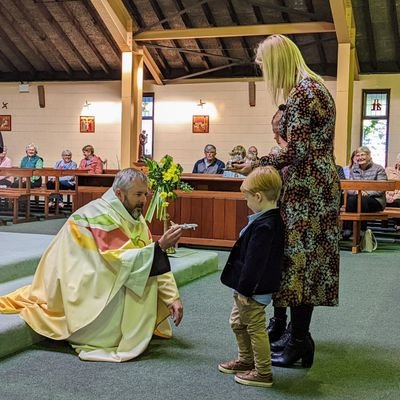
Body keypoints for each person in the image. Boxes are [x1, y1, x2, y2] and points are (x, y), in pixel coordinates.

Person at [232, 34, 341, 368]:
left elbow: (298, 150)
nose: (265, 73)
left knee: (301, 264)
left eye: (265, 65)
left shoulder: (306, 92)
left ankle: (299, 341)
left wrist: (257, 163)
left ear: (278, 61)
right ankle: (292, 335)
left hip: (310, 189)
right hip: (306, 184)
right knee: (293, 261)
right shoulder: (307, 88)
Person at [0, 168, 184, 362]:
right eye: (138, 194)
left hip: (98, 272)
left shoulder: (134, 217)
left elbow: (146, 256)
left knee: (144, 271)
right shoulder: (100, 215)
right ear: (119, 194)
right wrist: (160, 247)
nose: (143, 200)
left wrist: (172, 297)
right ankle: (103, 333)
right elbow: (120, 259)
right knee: (140, 277)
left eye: (145, 194)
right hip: (77, 283)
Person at [218, 166, 284, 388]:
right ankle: (246, 360)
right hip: (247, 288)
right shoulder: (264, 219)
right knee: (238, 323)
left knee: (254, 327)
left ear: (258, 196)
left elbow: (256, 263)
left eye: (246, 197)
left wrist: (245, 290)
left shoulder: (266, 225)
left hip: (254, 290)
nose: (245, 201)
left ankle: (263, 371)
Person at [342, 146, 387, 238]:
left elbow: (382, 188)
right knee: (352, 199)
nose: (360, 157)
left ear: (369, 156)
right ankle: (348, 229)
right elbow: (350, 185)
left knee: (361, 200)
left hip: (376, 200)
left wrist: (367, 192)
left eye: (362, 155)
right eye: (357, 155)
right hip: (356, 198)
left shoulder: (379, 168)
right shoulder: (354, 169)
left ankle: (361, 229)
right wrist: (356, 191)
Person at [386, 153, 400, 230]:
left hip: (397, 197)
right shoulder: (388, 170)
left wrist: (394, 197)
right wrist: (387, 196)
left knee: (398, 202)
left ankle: (398, 224)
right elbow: (382, 185)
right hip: (387, 195)